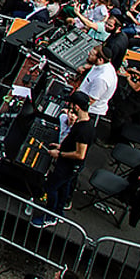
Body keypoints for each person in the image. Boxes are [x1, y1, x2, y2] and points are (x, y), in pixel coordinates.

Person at [32, 91, 94, 228]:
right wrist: (62, 146)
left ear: (76, 107)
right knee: (64, 187)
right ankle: (59, 212)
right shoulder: (85, 123)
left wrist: (59, 154)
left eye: (71, 105)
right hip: (69, 165)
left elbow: (80, 154)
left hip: (68, 165)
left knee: (51, 187)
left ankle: (50, 216)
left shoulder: (83, 130)